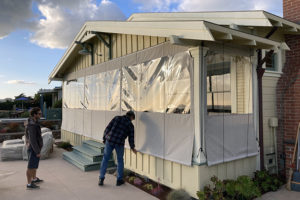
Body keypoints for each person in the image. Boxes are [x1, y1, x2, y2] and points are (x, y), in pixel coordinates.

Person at [99, 111, 137, 186]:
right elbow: (131, 138)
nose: (132, 120)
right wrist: (132, 147)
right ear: (131, 117)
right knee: (120, 161)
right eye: (133, 119)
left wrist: (104, 138)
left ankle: (101, 179)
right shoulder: (130, 125)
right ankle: (119, 180)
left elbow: (108, 128)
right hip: (119, 143)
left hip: (110, 141)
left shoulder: (117, 118)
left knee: (105, 159)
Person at [25, 107, 43, 189]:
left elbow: (27, 135)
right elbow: (32, 140)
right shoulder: (32, 125)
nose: (41, 114)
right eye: (39, 113)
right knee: (31, 166)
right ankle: (29, 184)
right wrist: (37, 151)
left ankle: (34, 178)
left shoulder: (34, 122)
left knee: (34, 165)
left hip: (35, 148)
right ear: (34, 114)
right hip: (33, 149)